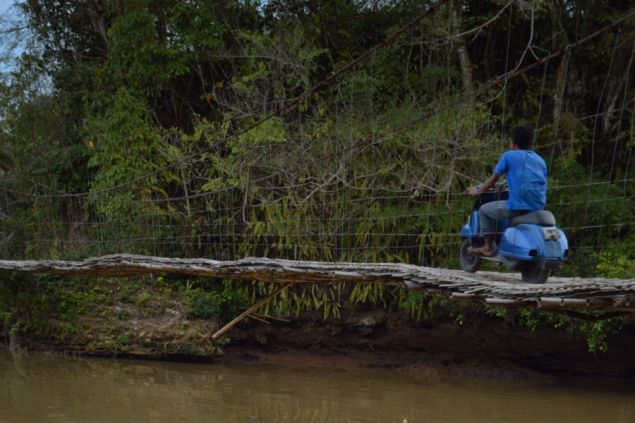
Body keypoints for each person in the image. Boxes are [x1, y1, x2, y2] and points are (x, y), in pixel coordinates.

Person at [466, 125, 547, 257]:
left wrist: (477, 191)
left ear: (513, 143)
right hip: (538, 207)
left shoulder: (509, 156)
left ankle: (487, 247)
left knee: (484, 210)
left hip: (518, 207)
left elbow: (492, 180)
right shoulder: (540, 160)